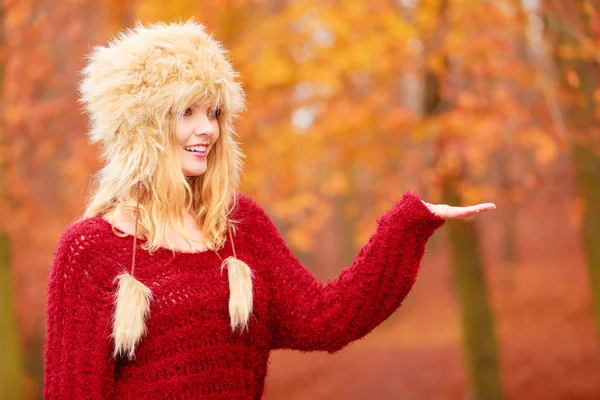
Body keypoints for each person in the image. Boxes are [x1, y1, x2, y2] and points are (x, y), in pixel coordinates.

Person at [42, 19, 496, 400]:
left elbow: (326, 319)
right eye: (187, 112)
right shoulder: (89, 250)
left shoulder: (239, 226)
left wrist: (408, 224)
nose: (208, 129)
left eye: (215, 112)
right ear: (141, 127)